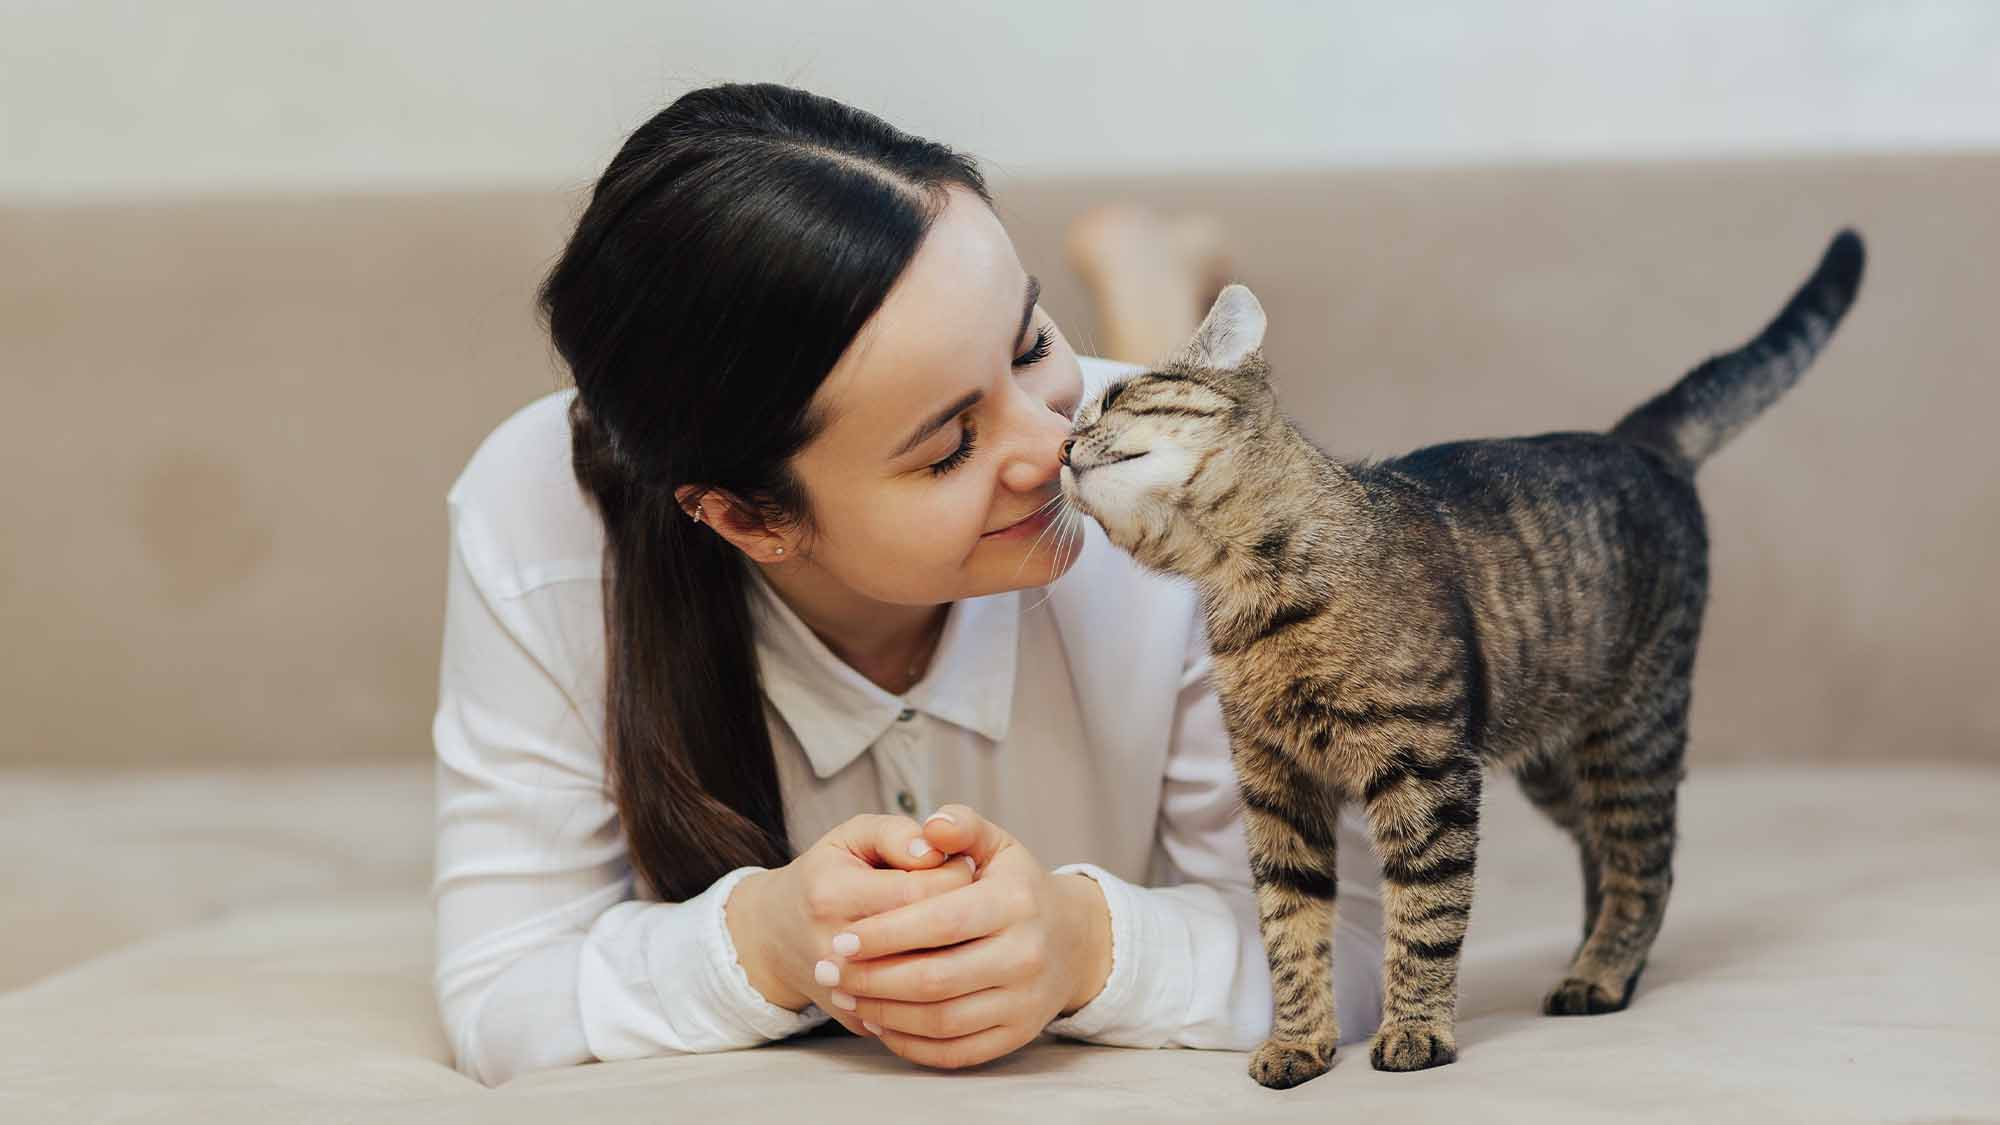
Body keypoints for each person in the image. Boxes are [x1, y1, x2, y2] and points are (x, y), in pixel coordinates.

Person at [430, 82, 1384, 1088]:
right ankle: (1134, 281)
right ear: (743, 515)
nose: (1057, 446)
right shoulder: (543, 515)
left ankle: (1146, 278)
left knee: (1168, 433)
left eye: (1029, 342)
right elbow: (499, 997)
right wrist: (763, 942)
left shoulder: (1187, 515)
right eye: (947, 447)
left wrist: (1084, 945)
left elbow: (1353, 946)